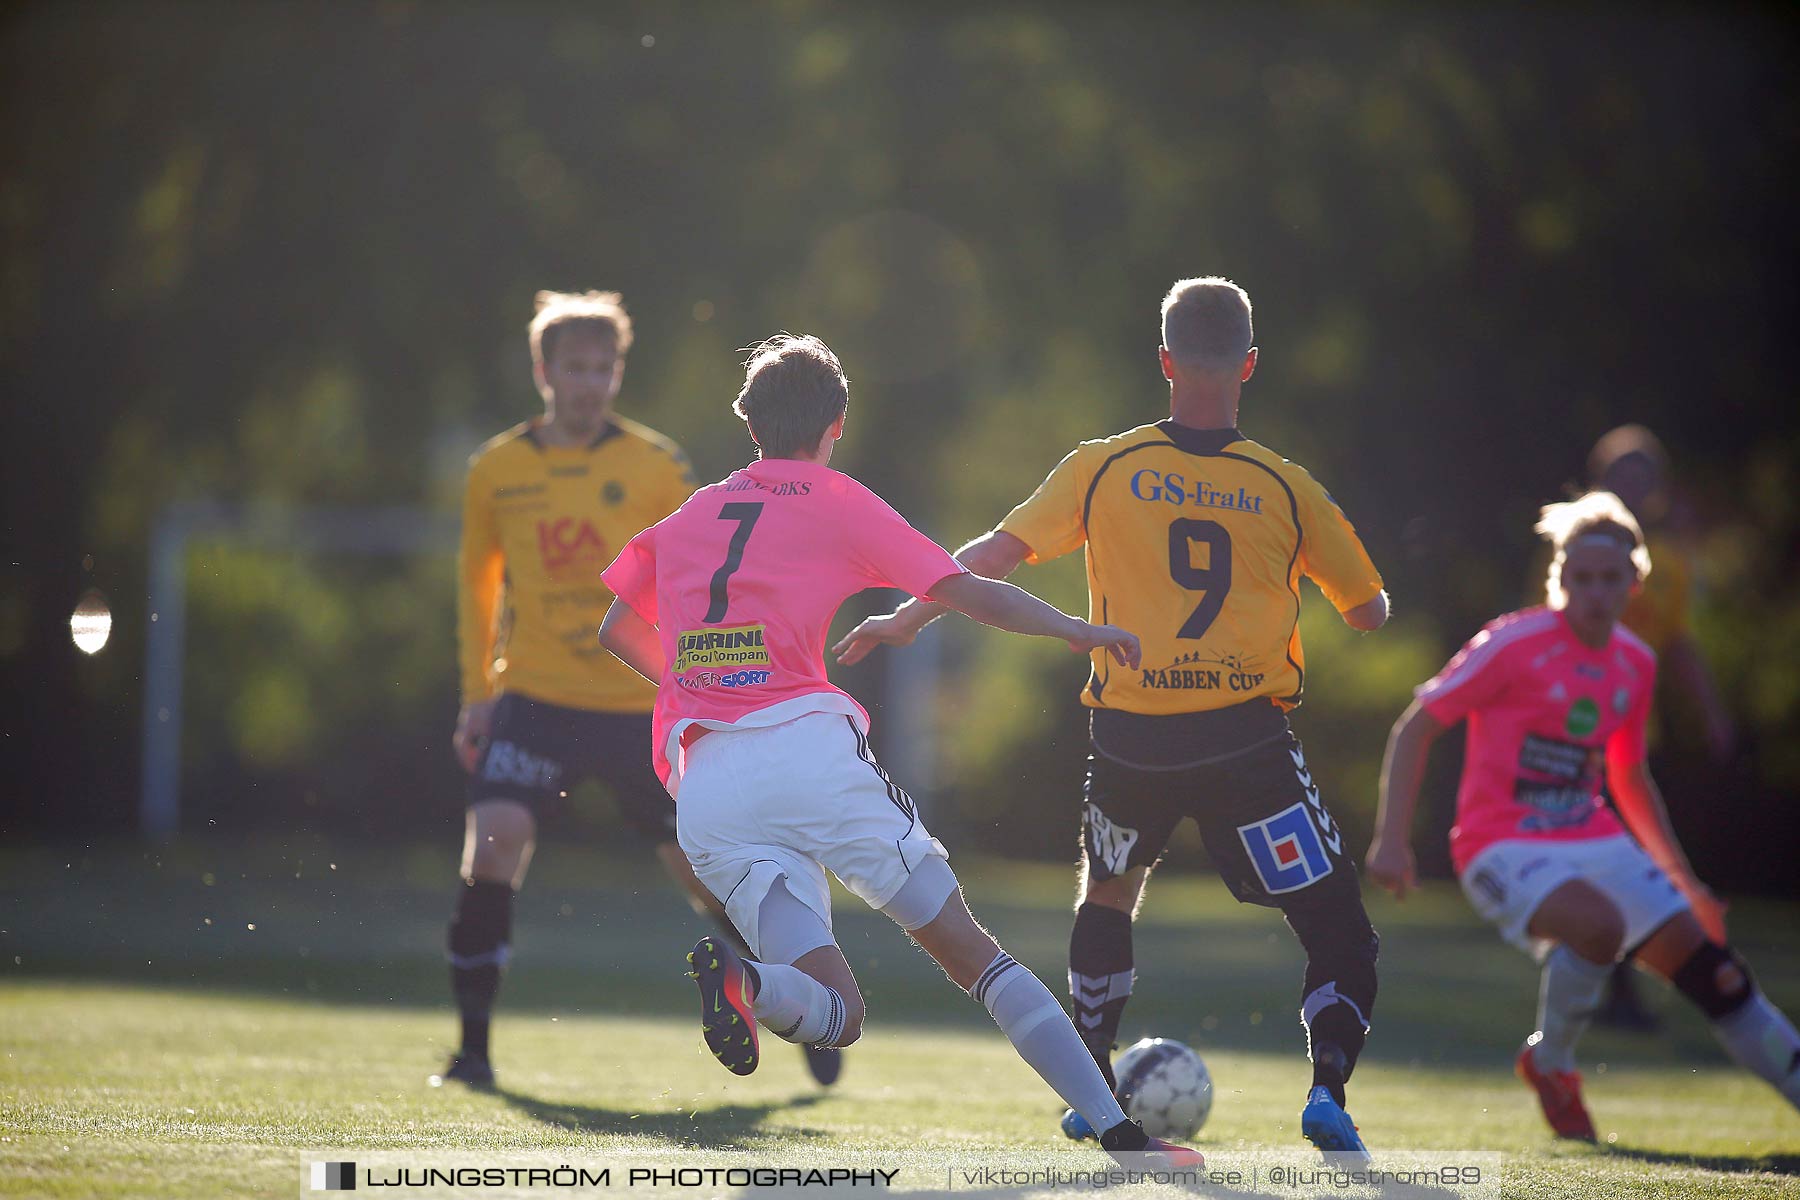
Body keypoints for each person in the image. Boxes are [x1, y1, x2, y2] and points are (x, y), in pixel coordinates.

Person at [596, 334, 1198, 1166]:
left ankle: (751, 985)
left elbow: (616, 625)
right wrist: (1075, 627)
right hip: (807, 756)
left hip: (707, 788)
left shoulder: (695, 512)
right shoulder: (836, 498)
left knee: (837, 1011)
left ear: (747, 421)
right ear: (835, 423)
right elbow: (965, 587)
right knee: (973, 954)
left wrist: (701, 685)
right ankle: (1123, 1135)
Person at [835, 278, 1390, 1156]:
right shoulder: (1287, 487)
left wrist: (909, 614)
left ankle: (1089, 1074)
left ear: (1165, 361)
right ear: (1248, 364)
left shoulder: (1104, 465)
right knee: (1337, 927)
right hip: (1246, 737)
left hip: (1132, 735)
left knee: (1111, 893)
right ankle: (1326, 1092)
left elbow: (993, 557)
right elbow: (1368, 611)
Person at [442, 291, 841, 1089]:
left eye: (603, 368)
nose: (589, 384)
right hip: (535, 697)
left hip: (640, 705)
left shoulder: (654, 466)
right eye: (574, 369)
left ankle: (801, 1005)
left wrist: (712, 685)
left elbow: (705, 571)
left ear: (618, 372)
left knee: (701, 871)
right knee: (493, 843)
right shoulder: (498, 468)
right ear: (543, 371)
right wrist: (477, 691)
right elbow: (477, 586)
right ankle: (473, 1051)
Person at [1367, 491, 1799, 1140]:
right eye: (1581, 578)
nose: (1595, 592)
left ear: (1635, 582)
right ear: (1559, 579)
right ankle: (1554, 1064)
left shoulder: (1635, 662)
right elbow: (1417, 726)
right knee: (1598, 928)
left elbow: (1627, 774)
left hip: (1594, 837)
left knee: (1722, 976)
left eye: (1610, 578)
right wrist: (1391, 840)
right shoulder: (1513, 643)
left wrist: (1683, 880)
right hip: (1499, 845)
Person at [1585, 425, 1735, 1031]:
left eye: (1642, 477)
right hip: (1568, 742)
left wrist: (1712, 714)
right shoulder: (1573, 554)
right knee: (1592, 865)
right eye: (1621, 475)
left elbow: (1679, 649)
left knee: (1628, 863)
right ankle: (1603, 986)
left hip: (1633, 743)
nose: (1631, 488)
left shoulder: (1668, 566)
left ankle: (1621, 989)